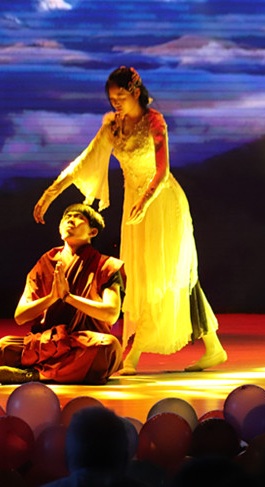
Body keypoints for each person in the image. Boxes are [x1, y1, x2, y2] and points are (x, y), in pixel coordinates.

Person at [33, 66, 226, 375]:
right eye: (112, 98)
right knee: (138, 276)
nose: (116, 103)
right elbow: (82, 162)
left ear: (136, 92)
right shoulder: (113, 126)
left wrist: (146, 200)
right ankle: (209, 347)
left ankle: (135, 354)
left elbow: (162, 170)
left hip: (162, 203)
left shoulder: (154, 121)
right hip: (135, 207)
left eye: (121, 96)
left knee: (169, 274)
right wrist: (49, 194)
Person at [0, 203, 124, 385]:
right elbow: (20, 316)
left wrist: (68, 298)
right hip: (49, 342)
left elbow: (111, 314)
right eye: (66, 218)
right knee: (4, 347)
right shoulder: (46, 262)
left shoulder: (106, 265)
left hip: (84, 342)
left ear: (93, 232)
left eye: (79, 217)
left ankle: (36, 374)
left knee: (108, 347)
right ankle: (66, 371)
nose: (70, 220)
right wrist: (52, 298)